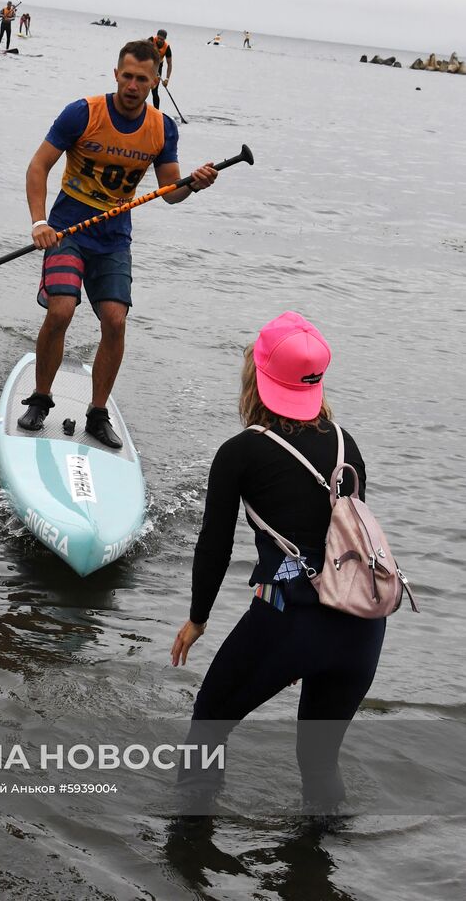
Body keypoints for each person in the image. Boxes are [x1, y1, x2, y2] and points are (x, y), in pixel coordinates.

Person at [171, 311, 387, 811]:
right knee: (319, 763)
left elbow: (215, 546)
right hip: (361, 627)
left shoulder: (241, 452)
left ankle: (186, 854)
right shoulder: (344, 443)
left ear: (258, 380)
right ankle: (319, 867)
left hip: (289, 620)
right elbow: (342, 541)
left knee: (208, 725)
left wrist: (198, 619)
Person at [19, 39, 219, 448]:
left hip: (113, 240)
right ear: (115, 74)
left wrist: (193, 185)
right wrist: (39, 221)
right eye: (126, 76)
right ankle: (41, 399)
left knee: (114, 320)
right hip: (67, 233)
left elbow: (169, 192)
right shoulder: (83, 113)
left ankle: (97, 413)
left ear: (155, 81)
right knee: (60, 310)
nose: (132, 85)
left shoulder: (162, 128)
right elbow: (38, 165)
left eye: (141, 79)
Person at [148, 29, 172, 109]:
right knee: (144, 87)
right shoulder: (151, 40)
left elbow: (169, 64)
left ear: (165, 39)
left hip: (158, 67)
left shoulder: (167, 47)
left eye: (162, 39)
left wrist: (167, 79)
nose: (159, 40)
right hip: (147, 65)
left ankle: (156, 111)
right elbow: (142, 51)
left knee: (154, 91)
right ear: (156, 36)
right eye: (158, 38)